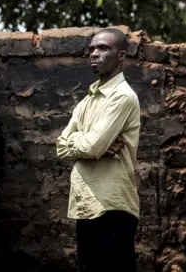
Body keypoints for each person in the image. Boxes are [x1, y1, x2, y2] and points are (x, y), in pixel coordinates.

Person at [56, 28, 141, 272]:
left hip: (112, 205)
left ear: (122, 55)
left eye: (104, 48)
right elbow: (61, 146)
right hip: (87, 203)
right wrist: (93, 144)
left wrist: (90, 145)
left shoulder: (122, 97)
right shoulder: (88, 100)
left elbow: (93, 146)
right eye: (92, 48)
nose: (94, 54)